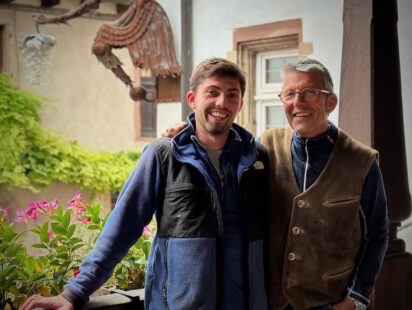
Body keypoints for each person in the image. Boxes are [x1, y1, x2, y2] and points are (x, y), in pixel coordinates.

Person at [20, 57, 269, 310]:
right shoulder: (164, 155)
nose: (222, 103)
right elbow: (122, 227)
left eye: (232, 95)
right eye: (212, 93)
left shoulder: (257, 159)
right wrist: (75, 292)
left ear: (240, 103)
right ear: (192, 99)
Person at [163, 58, 389, 310]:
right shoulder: (265, 147)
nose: (297, 102)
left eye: (309, 93)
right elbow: (222, 144)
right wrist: (189, 131)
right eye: (289, 94)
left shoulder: (363, 161)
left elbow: (377, 235)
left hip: (329, 303)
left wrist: (355, 299)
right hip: (268, 302)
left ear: (331, 102)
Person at [35, 0, 181, 101]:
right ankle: (129, 84)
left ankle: (129, 84)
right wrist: (51, 20)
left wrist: (52, 19)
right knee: (101, 47)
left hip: (134, 19)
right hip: (129, 21)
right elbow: (82, 8)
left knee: (101, 47)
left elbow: (81, 9)